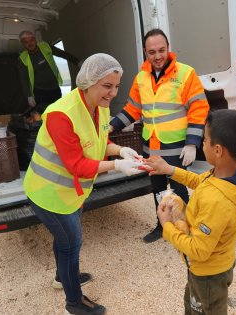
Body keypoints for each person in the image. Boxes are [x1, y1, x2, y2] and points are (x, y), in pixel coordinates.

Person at [23, 53, 143, 315]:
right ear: (88, 82)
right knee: (70, 243)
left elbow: (98, 143)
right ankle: (74, 303)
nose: (112, 93)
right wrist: (116, 166)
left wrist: (120, 151)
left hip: (70, 192)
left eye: (116, 86)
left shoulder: (99, 106)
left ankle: (61, 278)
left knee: (64, 241)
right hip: (49, 194)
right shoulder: (60, 114)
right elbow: (76, 165)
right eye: (107, 86)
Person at [143, 109, 236, 315]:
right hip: (209, 267)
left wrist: (167, 225)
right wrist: (169, 170)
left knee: (205, 307)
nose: (201, 144)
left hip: (208, 274)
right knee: (193, 304)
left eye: (205, 140)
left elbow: (199, 250)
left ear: (218, 150)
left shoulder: (217, 201)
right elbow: (199, 182)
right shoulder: (226, 175)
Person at [109, 28, 210, 243]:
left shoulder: (185, 73)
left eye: (161, 50)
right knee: (156, 188)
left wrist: (192, 143)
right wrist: (110, 127)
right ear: (145, 52)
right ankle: (162, 226)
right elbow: (132, 110)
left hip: (176, 146)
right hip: (151, 147)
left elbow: (199, 108)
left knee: (179, 188)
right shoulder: (141, 78)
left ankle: (187, 229)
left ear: (168, 49)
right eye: (152, 52)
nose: (157, 56)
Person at [18, 30, 80, 113]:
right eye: (26, 42)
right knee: (45, 114)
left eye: (31, 40)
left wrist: (77, 62)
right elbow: (24, 79)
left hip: (54, 88)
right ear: (22, 44)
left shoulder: (45, 46)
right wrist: (29, 96)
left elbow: (62, 54)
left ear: (35, 40)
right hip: (39, 92)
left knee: (59, 111)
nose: (30, 43)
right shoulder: (22, 58)